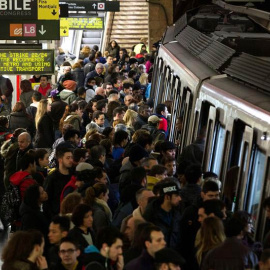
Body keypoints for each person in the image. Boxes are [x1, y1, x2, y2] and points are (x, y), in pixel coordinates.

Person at [143, 181, 181, 249]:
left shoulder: (178, 213)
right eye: (176, 196)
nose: (180, 198)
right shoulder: (151, 215)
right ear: (167, 197)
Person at [44, 147, 73, 215]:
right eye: (68, 158)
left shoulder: (74, 175)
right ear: (60, 160)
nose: (71, 160)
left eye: (71, 157)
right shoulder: (52, 178)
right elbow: (46, 200)